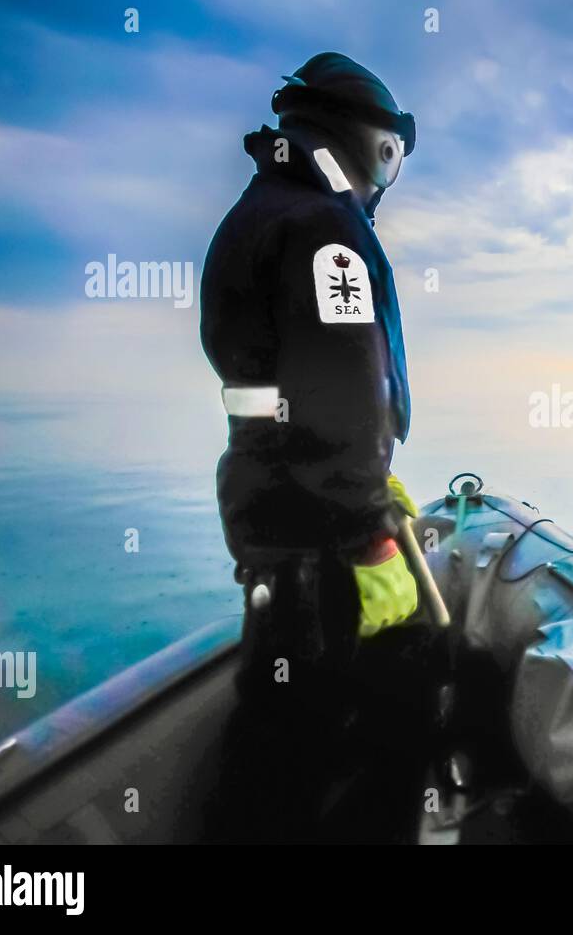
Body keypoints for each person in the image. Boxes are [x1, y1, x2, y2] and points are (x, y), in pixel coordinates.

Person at [200, 52, 426, 695]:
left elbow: (280, 388)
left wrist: (373, 485)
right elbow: (337, 390)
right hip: (320, 534)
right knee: (318, 739)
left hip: (269, 506)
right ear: (356, 139)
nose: (386, 179)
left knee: (280, 719)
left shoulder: (258, 212)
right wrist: (370, 534)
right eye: (388, 154)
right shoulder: (326, 231)